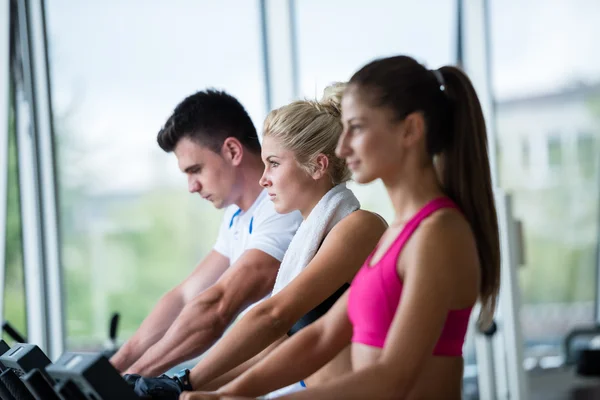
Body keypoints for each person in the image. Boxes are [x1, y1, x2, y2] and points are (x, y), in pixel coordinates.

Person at [182, 55, 501, 400]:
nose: (343, 145)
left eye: (358, 128)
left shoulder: (438, 233)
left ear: (409, 130)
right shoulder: (397, 233)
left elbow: (391, 377)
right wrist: (222, 392)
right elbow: (318, 339)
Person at [129, 83, 387, 399]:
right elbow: (279, 345)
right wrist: (177, 387)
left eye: (274, 164)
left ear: (318, 165)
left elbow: (274, 316)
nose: (264, 179)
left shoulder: (358, 227)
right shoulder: (308, 239)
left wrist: (186, 382)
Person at [110, 89, 303, 380]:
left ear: (233, 151)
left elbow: (218, 305)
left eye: (196, 170)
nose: (192, 186)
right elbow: (186, 295)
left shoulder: (282, 209)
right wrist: (116, 366)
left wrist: (136, 376)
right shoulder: (236, 216)